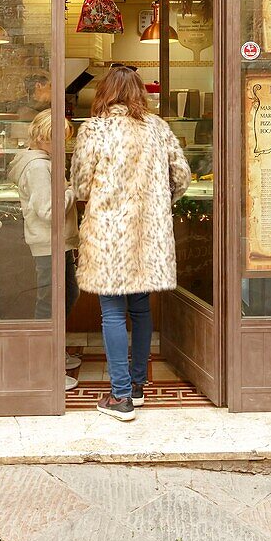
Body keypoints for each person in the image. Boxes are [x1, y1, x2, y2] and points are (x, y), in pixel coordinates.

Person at [70, 67, 191, 421]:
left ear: (104, 93)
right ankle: (137, 388)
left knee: (111, 312)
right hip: (149, 235)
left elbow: (80, 185)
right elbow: (181, 176)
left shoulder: (95, 129)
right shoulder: (158, 128)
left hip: (108, 234)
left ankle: (120, 396)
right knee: (140, 310)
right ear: (140, 93)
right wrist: (159, 204)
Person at [8, 109, 81, 391]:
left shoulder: (43, 162)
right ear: (42, 137)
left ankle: (53, 350)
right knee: (49, 303)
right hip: (48, 242)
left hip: (55, 241)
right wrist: (73, 189)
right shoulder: (39, 167)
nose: (63, 146)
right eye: (58, 140)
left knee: (66, 294)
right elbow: (48, 210)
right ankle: (43, 366)